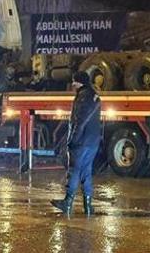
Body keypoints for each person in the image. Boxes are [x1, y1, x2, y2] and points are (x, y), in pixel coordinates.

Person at [51, 71, 102, 216]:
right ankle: (88, 205)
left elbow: (79, 121)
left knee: (74, 170)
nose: (73, 84)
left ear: (79, 82)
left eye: (74, 81)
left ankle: (67, 202)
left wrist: (73, 139)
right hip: (92, 141)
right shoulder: (94, 95)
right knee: (86, 171)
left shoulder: (83, 96)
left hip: (81, 140)